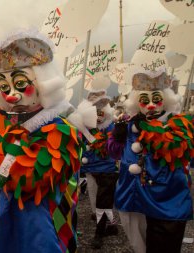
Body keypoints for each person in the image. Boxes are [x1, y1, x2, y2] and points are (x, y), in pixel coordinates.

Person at [0, 28, 83, 253]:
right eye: (4, 87)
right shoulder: (10, 125)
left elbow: (28, 180)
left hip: (44, 232)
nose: (11, 95)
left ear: (43, 83)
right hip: (8, 224)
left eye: (20, 83)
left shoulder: (61, 129)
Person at [107, 69, 193, 253]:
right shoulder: (131, 125)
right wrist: (116, 137)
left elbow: (182, 156)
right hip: (132, 198)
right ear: (138, 103)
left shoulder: (175, 125)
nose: (151, 105)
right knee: (138, 246)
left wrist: (154, 134)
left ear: (167, 99)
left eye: (156, 99)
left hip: (165, 204)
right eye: (145, 100)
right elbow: (114, 152)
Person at [79, 90, 119, 249]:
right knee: (96, 201)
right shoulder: (84, 128)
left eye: (101, 110)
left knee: (102, 202)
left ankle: (99, 233)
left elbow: (117, 146)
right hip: (90, 168)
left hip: (107, 170)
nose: (98, 114)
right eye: (94, 110)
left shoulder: (111, 127)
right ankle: (112, 225)